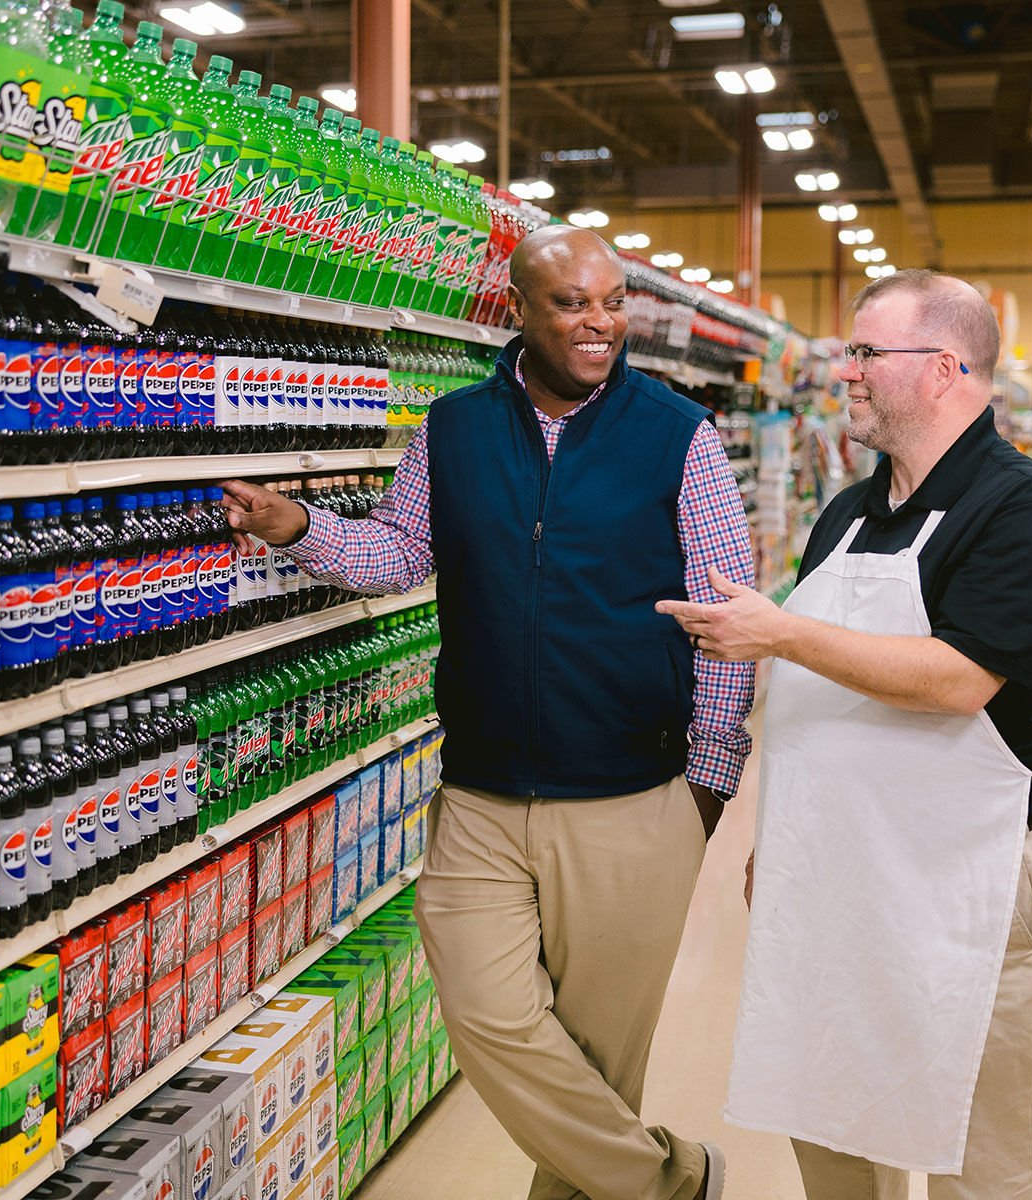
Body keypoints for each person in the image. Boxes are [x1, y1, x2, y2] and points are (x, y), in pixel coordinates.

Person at [222, 225, 755, 1200]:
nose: (599, 322)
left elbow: (729, 614)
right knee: (485, 1010)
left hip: (633, 797)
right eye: (571, 303)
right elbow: (398, 552)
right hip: (480, 792)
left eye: (611, 301)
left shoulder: (679, 434)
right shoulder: (453, 427)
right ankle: (674, 1183)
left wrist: (708, 783)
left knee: (595, 1066)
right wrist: (298, 527)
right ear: (517, 309)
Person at [657, 269, 1032, 1199]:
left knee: (983, 1148)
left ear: (945, 368)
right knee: (837, 1111)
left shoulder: (1025, 507)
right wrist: (776, 841)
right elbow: (823, 705)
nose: (844, 373)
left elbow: (959, 680)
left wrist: (778, 631)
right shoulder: (848, 515)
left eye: (864, 353)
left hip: (975, 878)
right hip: (845, 876)